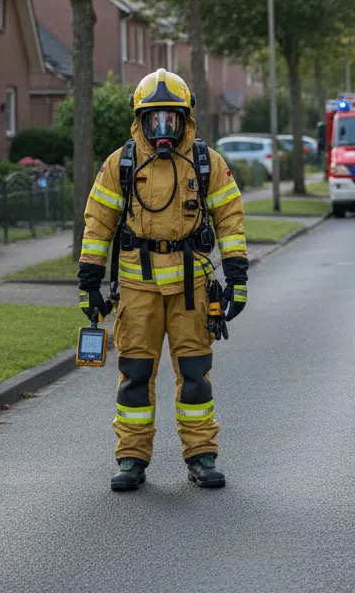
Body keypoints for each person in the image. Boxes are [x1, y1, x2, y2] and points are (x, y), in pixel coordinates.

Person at [78, 69, 249, 492]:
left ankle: (202, 456)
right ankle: (131, 459)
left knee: (195, 374)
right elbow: (98, 223)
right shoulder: (121, 164)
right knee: (135, 375)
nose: (162, 129)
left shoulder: (207, 163)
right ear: (140, 120)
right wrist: (89, 281)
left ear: (185, 119)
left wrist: (237, 277)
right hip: (138, 291)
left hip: (193, 289)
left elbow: (230, 219)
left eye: (170, 119)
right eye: (153, 119)